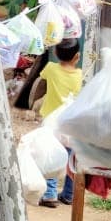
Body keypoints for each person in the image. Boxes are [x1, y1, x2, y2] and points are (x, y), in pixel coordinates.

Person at [37, 38, 82, 207]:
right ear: (77, 56)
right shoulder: (79, 74)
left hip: (51, 122)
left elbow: (42, 79)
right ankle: (69, 194)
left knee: (51, 156)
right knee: (72, 157)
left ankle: (49, 194)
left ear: (55, 54)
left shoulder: (51, 68)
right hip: (70, 123)